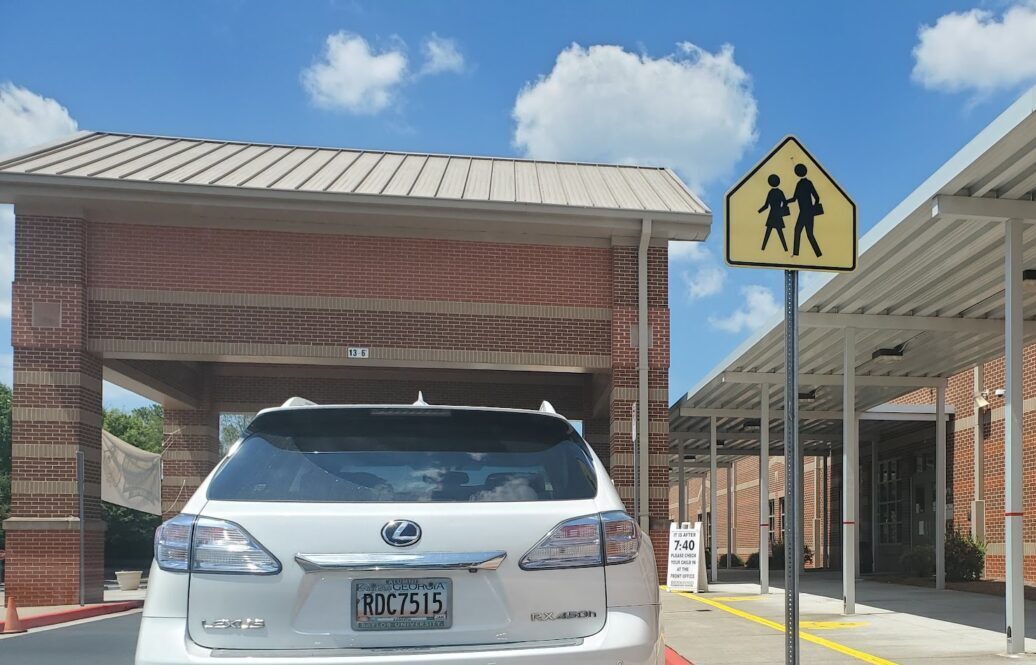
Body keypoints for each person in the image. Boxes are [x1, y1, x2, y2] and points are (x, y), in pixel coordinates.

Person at [788, 163, 822, 257]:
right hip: (807, 212)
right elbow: (817, 198)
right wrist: (813, 208)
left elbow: (794, 199)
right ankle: (818, 253)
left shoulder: (801, 184)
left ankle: (796, 253)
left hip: (805, 212)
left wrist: (786, 201)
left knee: (798, 231)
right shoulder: (806, 183)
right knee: (808, 234)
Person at [758, 174, 789, 252]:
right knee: (780, 233)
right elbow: (785, 203)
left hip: (772, 215)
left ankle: (763, 248)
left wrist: (759, 211)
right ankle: (785, 249)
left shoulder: (771, 192)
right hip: (778, 215)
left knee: (768, 233)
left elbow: (766, 206)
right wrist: (781, 209)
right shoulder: (780, 192)